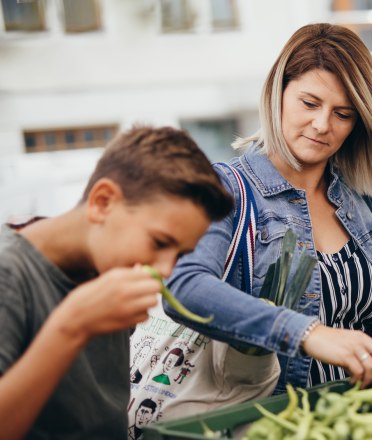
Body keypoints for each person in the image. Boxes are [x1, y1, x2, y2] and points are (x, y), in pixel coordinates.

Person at [164, 23, 372, 393]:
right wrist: (304, 332)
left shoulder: (359, 198)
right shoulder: (226, 189)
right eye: (310, 103)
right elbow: (183, 287)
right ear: (278, 92)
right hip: (269, 420)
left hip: (354, 416)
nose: (322, 124)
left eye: (343, 114)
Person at [0, 126, 234, 440]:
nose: (166, 269)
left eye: (180, 254)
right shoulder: (9, 274)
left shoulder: (108, 264)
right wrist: (72, 327)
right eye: (159, 242)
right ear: (103, 201)